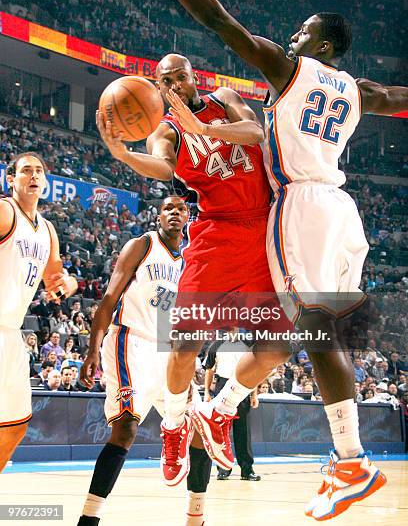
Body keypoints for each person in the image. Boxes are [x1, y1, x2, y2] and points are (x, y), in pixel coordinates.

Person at [112, 0, 407, 519]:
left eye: (304, 33)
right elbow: (398, 97)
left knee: (313, 334)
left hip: (297, 207)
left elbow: (219, 21)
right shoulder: (355, 87)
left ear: (321, 47)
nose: (293, 37)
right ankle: (225, 414)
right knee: (312, 332)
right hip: (343, 214)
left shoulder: (288, 73)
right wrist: (164, 141)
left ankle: (347, 460)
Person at [96, 51, 289, 486]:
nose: (176, 85)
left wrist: (204, 126)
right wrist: (123, 155)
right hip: (216, 237)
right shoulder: (165, 130)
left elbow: (257, 132)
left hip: (263, 232)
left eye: (180, 76)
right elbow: (162, 165)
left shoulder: (224, 99)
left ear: (192, 77)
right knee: (183, 347)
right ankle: (173, 426)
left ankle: (220, 411)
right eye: (166, 81)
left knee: (278, 348)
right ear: (159, 88)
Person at [77, 197, 212, 526]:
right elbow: (110, 296)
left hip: (167, 351)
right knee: (125, 429)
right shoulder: (143, 244)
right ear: (159, 215)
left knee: (199, 430)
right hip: (130, 341)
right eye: (168, 208)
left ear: (188, 217)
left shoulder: (189, 261)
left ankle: (196, 517)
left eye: (181, 209)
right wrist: (92, 349)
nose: (174, 213)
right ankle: (89, 518)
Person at [0, 152, 78, 472]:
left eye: (39, 171)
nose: (33, 176)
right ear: (11, 180)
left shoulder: (47, 230)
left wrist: (68, 283)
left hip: (11, 333)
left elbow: (54, 279)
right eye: (26, 171)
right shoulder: (5, 211)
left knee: (16, 424)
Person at [203, 331, 261, 481]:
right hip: (222, 385)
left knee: (243, 432)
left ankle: (247, 470)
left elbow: (253, 370)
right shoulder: (216, 345)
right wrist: (207, 392)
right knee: (221, 431)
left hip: (243, 386)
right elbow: (209, 369)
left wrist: (254, 394)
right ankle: (223, 468)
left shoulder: (248, 344)